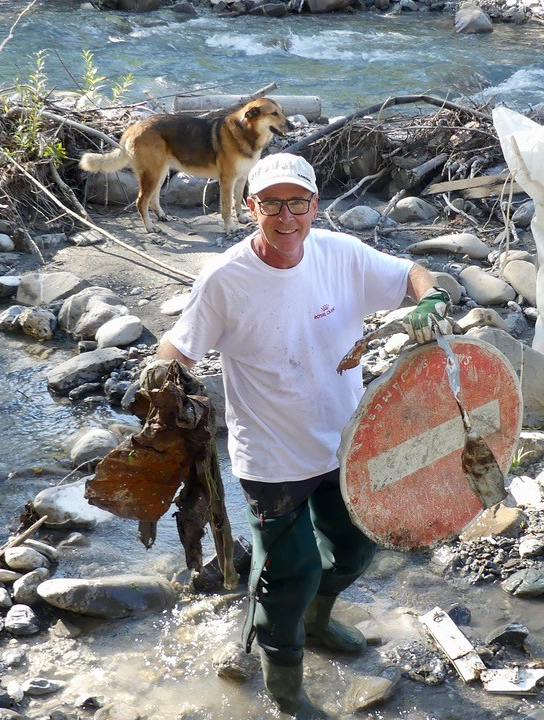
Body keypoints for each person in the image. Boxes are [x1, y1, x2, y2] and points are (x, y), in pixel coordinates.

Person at [154, 153, 450, 717]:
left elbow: (412, 274)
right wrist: (158, 381)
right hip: (271, 457)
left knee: (355, 549)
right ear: (251, 208)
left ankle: (313, 624)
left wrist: (430, 297)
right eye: (271, 204)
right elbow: (180, 346)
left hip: (346, 441)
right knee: (289, 574)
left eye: (297, 203)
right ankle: (285, 688)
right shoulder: (225, 278)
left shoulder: (340, 254)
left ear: (315, 206)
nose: (285, 216)